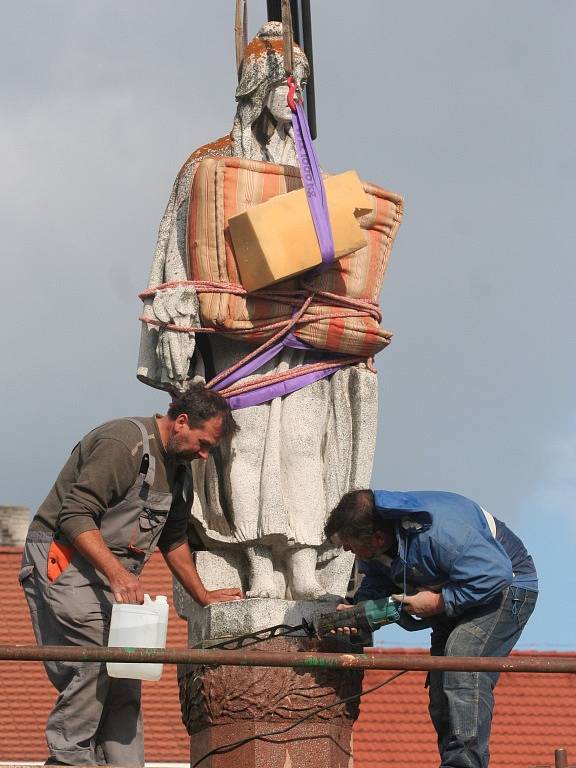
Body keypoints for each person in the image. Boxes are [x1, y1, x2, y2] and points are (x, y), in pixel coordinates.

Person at [137, 21, 378, 599]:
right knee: (240, 443)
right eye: (288, 80)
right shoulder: (208, 165)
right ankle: (254, 559)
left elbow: (341, 256)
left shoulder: (309, 174)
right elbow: (177, 245)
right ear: (259, 83)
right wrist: (173, 308)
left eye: (302, 82)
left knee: (302, 446)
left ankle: (298, 560)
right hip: (238, 329)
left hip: (298, 333)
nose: (295, 94)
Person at [19, 384, 243, 767]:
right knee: (96, 657)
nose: (204, 455)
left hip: (110, 573)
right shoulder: (124, 444)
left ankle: (124, 764)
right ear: (182, 422)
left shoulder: (180, 474)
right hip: (64, 559)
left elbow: (173, 541)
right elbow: (74, 516)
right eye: (203, 444)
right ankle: (69, 758)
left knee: (125, 671)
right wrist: (119, 575)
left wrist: (203, 595)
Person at [324, 488, 538, 768]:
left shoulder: (438, 534)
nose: (347, 551)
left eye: (350, 544)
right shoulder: (379, 545)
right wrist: (359, 612)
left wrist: (439, 601)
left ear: (377, 537)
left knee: (462, 657)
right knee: (440, 688)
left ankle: (465, 764)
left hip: (507, 587)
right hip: (461, 592)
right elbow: (378, 580)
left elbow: (495, 573)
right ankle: (453, 761)